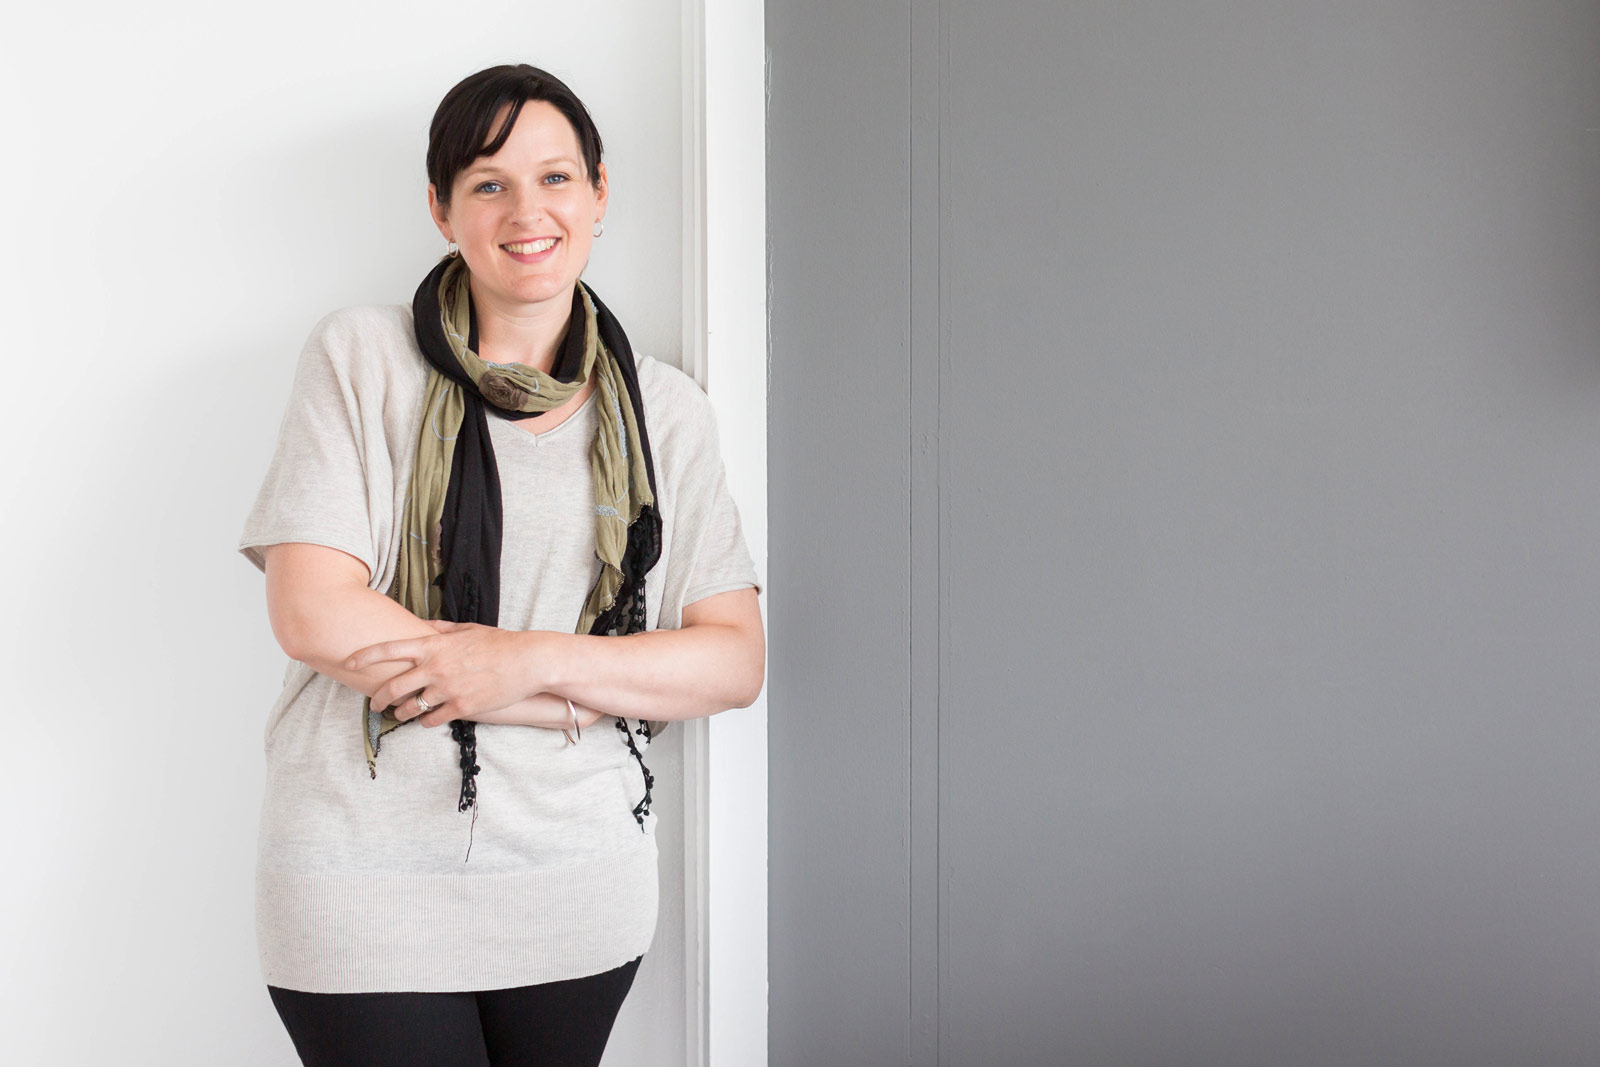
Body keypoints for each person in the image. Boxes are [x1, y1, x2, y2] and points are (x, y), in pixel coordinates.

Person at [236, 63, 765, 1067]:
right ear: (440, 208)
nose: (528, 210)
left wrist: (521, 662)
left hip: (575, 883)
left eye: (556, 178)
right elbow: (314, 611)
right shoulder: (362, 359)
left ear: (600, 194)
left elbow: (730, 660)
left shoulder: (665, 412)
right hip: (360, 876)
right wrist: (588, 692)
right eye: (488, 183)